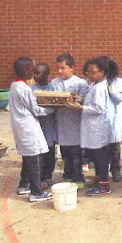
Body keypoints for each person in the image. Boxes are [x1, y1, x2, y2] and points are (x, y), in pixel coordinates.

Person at [66, 56, 117, 196]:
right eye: (88, 72)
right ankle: (100, 180)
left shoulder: (100, 88)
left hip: (97, 129)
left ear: (102, 72)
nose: (90, 75)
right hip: (93, 129)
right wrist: (81, 100)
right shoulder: (95, 85)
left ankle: (104, 185)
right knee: (96, 156)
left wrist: (80, 107)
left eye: (93, 72)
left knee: (100, 157)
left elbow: (99, 108)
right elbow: (92, 102)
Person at [9, 57, 54, 202]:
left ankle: (24, 185)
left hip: (21, 126)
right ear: (27, 70)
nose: (34, 73)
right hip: (27, 127)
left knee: (28, 156)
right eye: (33, 70)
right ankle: (36, 192)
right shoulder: (24, 89)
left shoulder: (14, 86)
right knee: (34, 159)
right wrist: (52, 109)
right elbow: (36, 110)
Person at [52, 53, 89, 188]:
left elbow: (86, 100)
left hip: (76, 123)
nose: (60, 71)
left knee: (77, 154)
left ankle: (78, 177)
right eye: (58, 68)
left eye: (63, 68)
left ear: (72, 68)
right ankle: (67, 176)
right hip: (62, 122)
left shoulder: (80, 83)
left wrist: (76, 101)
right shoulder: (54, 83)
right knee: (65, 153)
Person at [31, 63, 58, 188]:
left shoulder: (53, 88)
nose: (35, 75)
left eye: (38, 73)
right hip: (37, 125)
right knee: (39, 154)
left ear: (47, 75)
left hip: (50, 126)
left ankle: (48, 176)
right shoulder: (31, 90)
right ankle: (40, 177)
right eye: (34, 72)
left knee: (50, 153)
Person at [106, 60, 122, 183]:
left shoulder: (119, 82)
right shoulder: (96, 83)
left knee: (115, 147)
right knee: (102, 148)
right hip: (101, 119)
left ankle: (115, 169)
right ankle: (101, 172)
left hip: (115, 119)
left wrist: (110, 89)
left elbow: (119, 98)